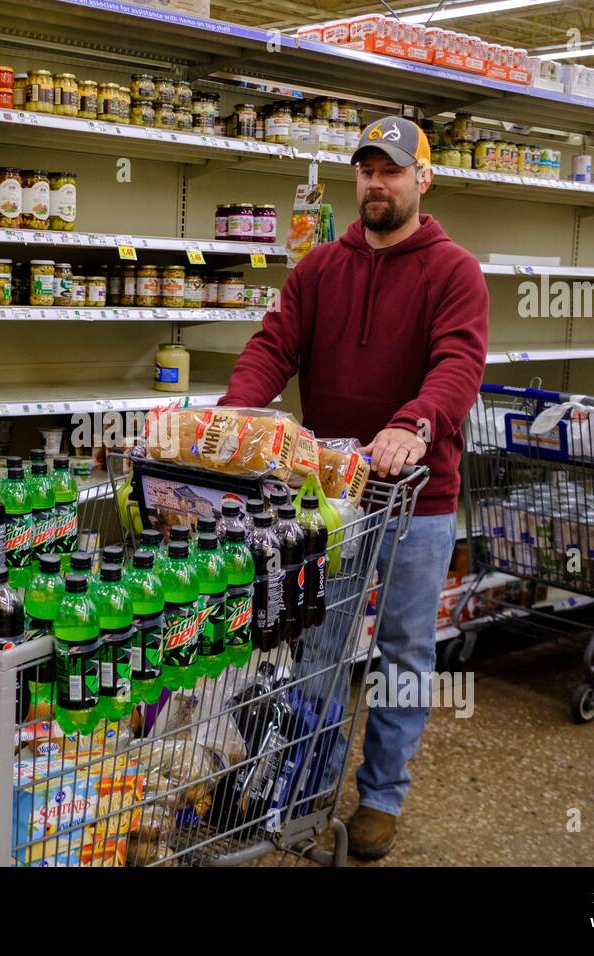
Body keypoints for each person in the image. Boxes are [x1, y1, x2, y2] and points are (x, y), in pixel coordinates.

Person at [218, 115, 489, 859]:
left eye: (392, 170)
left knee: (403, 655)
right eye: (366, 169)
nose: (376, 182)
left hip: (417, 499)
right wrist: (239, 412)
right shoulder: (318, 269)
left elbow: (458, 366)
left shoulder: (454, 271)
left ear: (422, 179)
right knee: (321, 648)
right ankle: (307, 784)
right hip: (331, 500)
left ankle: (380, 798)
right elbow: (274, 344)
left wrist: (415, 422)